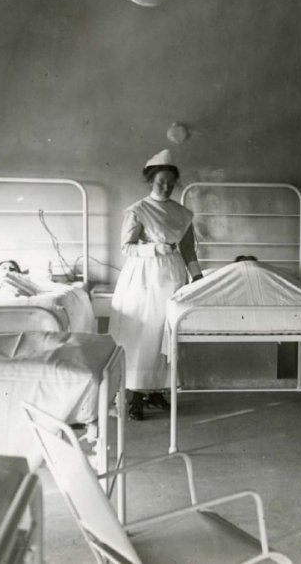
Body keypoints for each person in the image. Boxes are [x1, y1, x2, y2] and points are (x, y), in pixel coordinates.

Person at [109, 149, 203, 420]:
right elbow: (126, 247)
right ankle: (135, 397)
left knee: (166, 331)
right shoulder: (138, 210)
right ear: (151, 181)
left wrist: (196, 277)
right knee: (144, 334)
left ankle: (157, 391)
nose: (166, 186)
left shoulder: (182, 213)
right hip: (144, 278)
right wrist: (154, 249)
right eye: (161, 182)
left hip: (172, 277)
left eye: (171, 183)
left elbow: (188, 251)